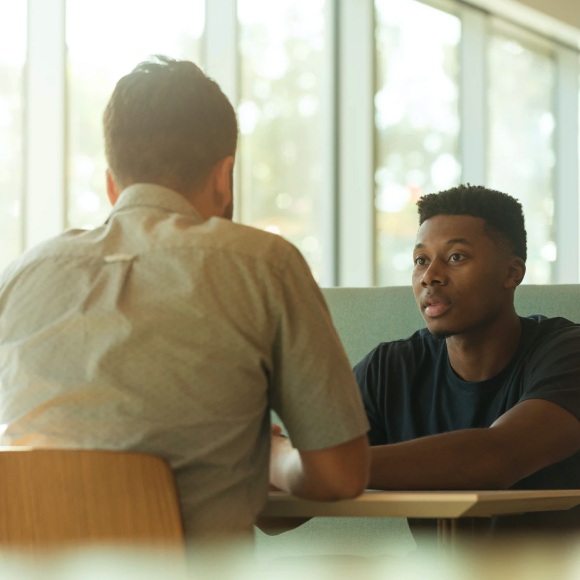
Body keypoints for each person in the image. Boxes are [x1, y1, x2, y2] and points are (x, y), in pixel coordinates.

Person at [0, 56, 370, 541]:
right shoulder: (264, 264)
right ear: (225, 176)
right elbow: (339, 476)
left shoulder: (22, 273)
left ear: (112, 184)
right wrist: (274, 456)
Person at [355, 185, 580, 533]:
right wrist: (276, 462)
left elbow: (496, 458)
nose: (430, 276)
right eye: (420, 260)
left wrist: (322, 467)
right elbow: (276, 517)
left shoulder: (567, 353)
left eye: (456, 257)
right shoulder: (389, 369)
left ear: (512, 273)